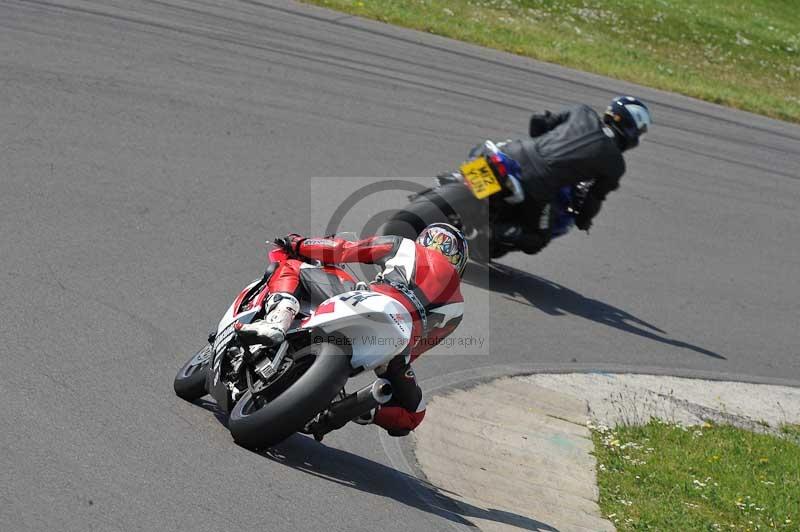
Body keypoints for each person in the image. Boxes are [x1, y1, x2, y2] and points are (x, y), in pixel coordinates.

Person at [236, 223, 468, 437]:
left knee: (294, 266)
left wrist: (297, 243)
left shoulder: (405, 246)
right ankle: (357, 409)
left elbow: (343, 249)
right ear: (460, 262)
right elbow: (419, 349)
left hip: (373, 301)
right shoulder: (457, 309)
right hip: (398, 343)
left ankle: (278, 321)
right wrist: (392, 363)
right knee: (413, 415)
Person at [492, 95, 652, 254]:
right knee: (537, 238)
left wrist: (544, 144)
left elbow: (539, 119)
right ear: (632, 128)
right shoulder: (615, 164)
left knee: (488, 156)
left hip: (513, 151)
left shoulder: (582, 111)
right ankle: (491, 231)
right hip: (539, 183)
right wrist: (584, 220)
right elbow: (594, 199)